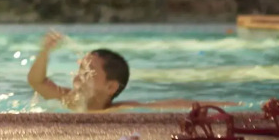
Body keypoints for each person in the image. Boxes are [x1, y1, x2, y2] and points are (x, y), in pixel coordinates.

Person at [27, 31, 232, 112]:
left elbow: (175, 104)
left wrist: (233, 106)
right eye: (81, 69)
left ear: (111, 87)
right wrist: (45, 51)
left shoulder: (120, 110)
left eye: (89, 72)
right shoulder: (69, 100)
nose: (79, 76)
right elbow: (36, 82)